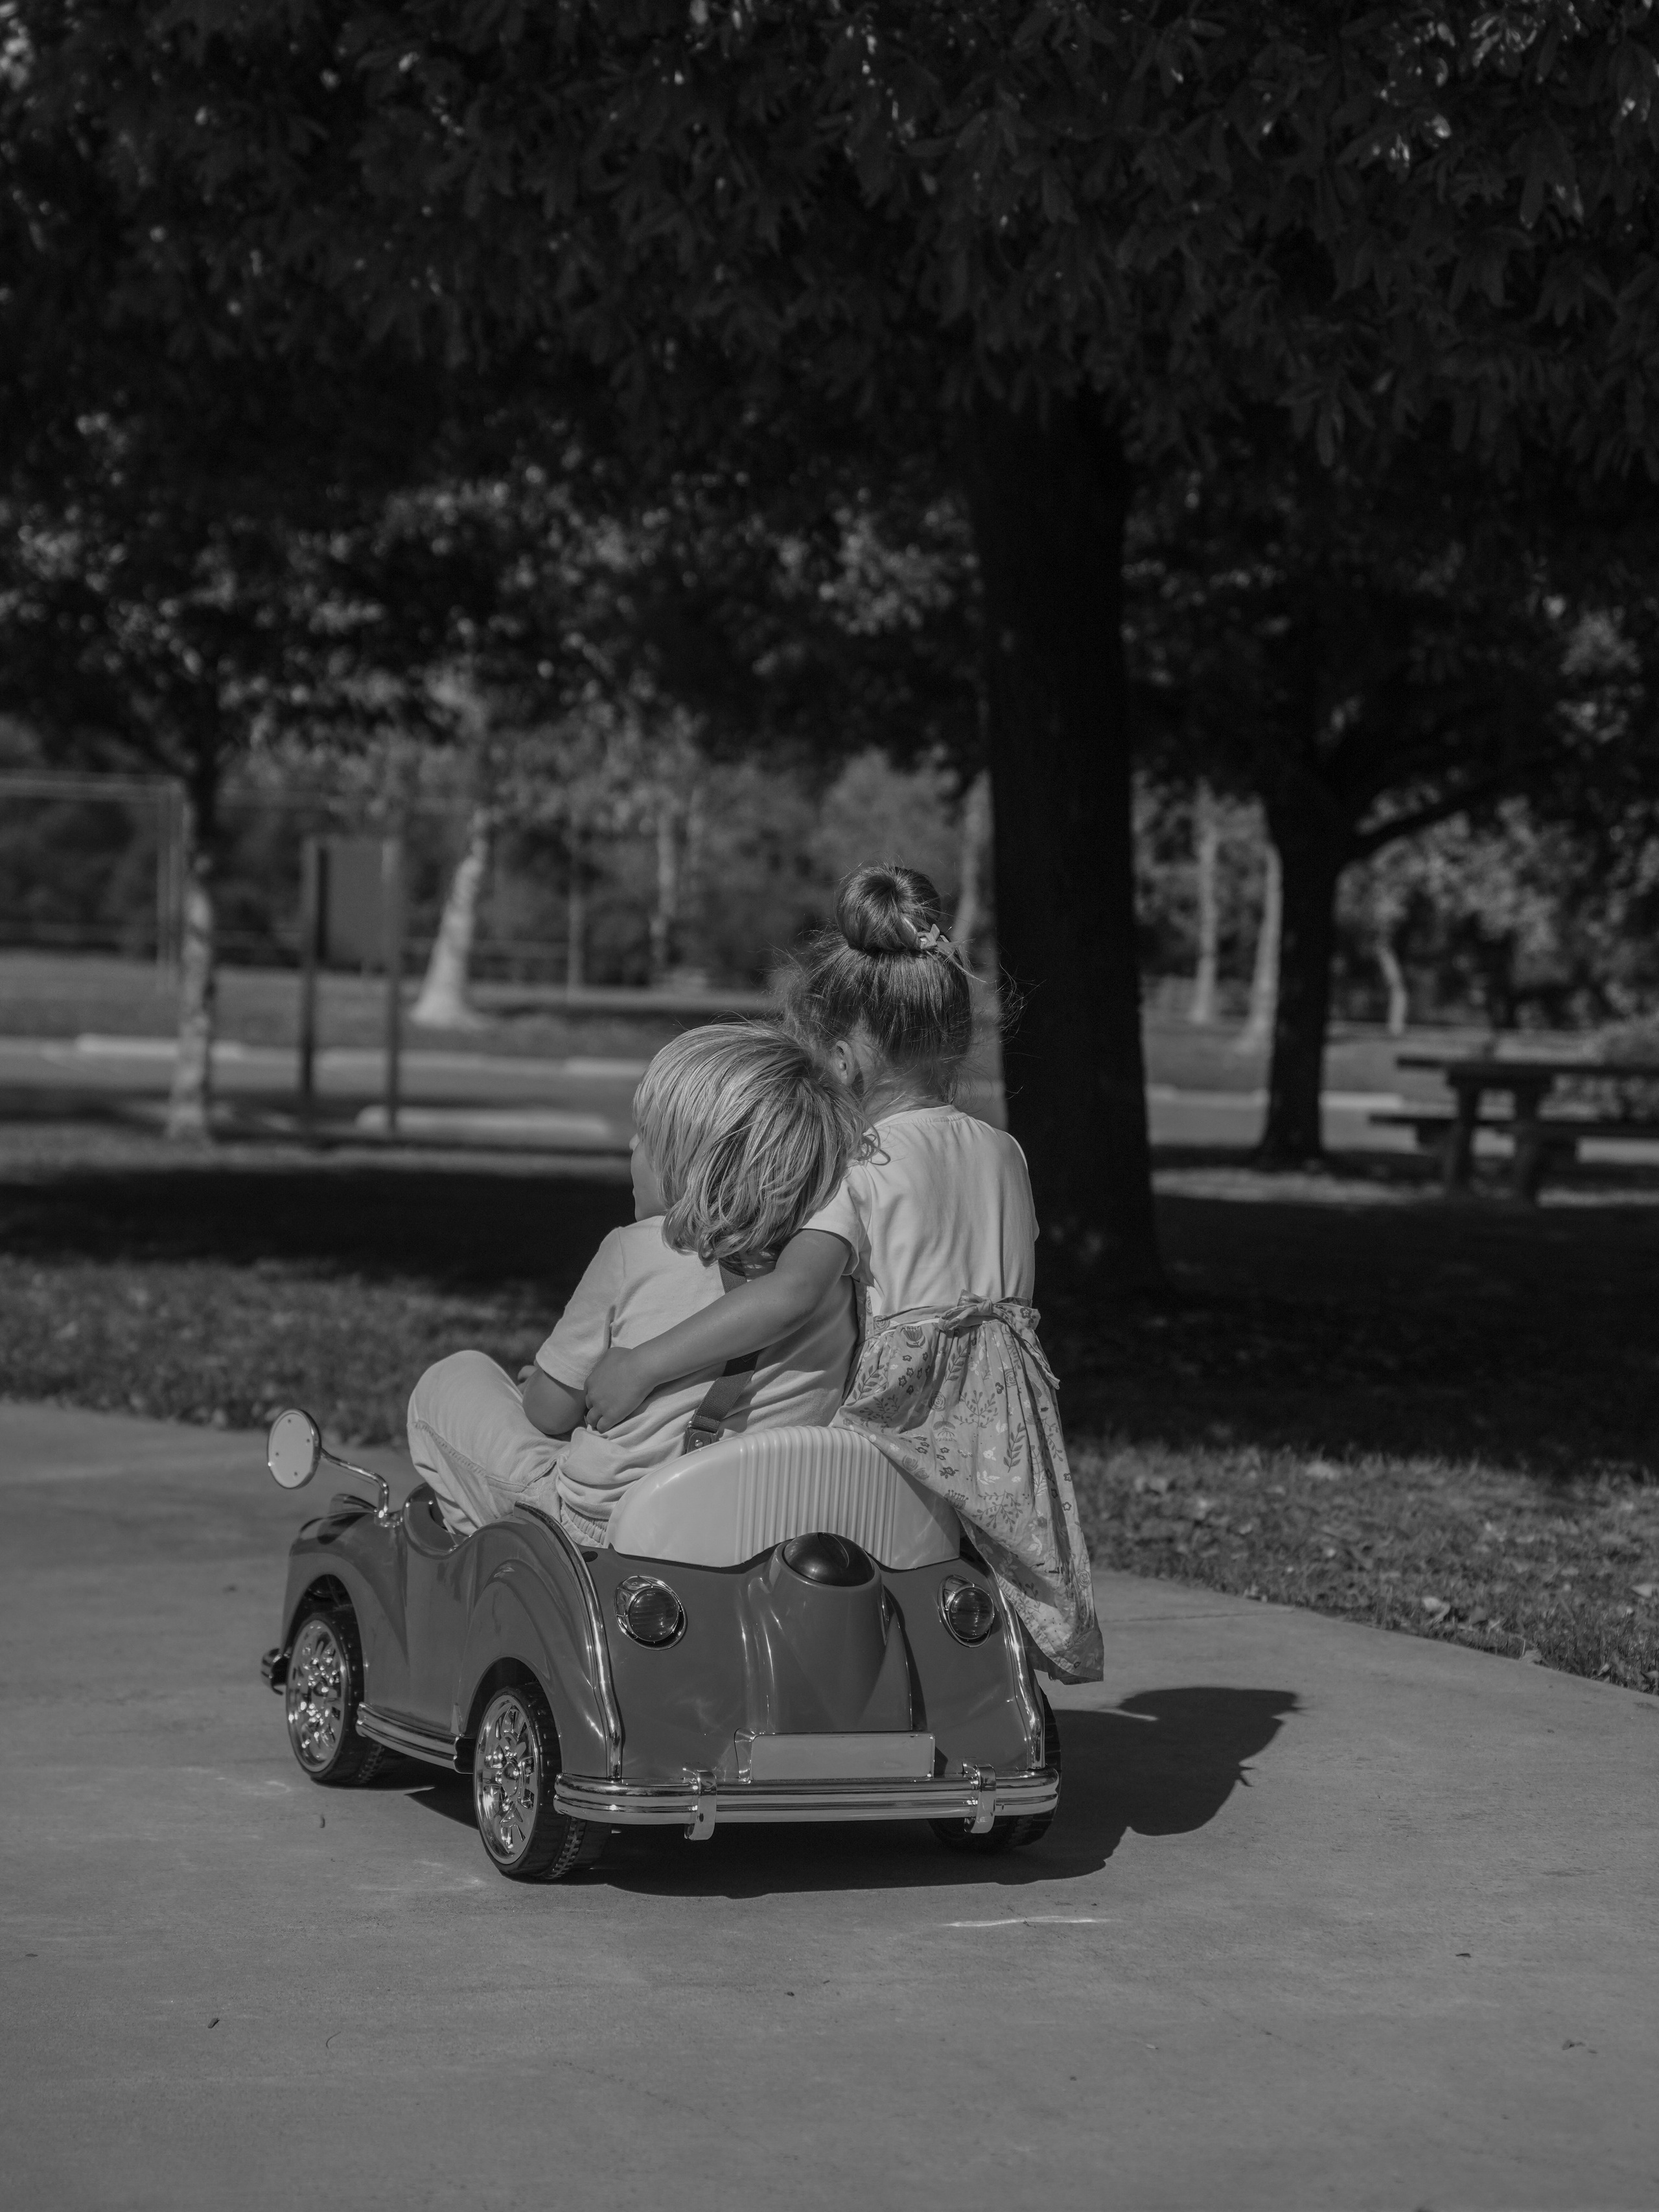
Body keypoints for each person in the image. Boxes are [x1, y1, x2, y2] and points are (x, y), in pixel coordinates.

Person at [585, 863, 1104, 1682]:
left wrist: (645, 1361)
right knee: (964, 1551)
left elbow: (789, 1295)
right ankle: (981, 1688)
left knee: (829, 1517)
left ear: (844, 1061)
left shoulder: (866, 1161)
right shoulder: (1005, 1151)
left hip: (912, 1404)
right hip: (1003, 1399)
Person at [406, 1023, 861, 1543]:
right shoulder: (833, 1283)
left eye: (645, 1137)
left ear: (690, 1167)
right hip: (753, 1531)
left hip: (599, 1528)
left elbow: (548, 1413)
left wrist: (544, 1387)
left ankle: (489, 1568)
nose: (630, 1144)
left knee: (449, 1382)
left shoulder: (632, 1251)